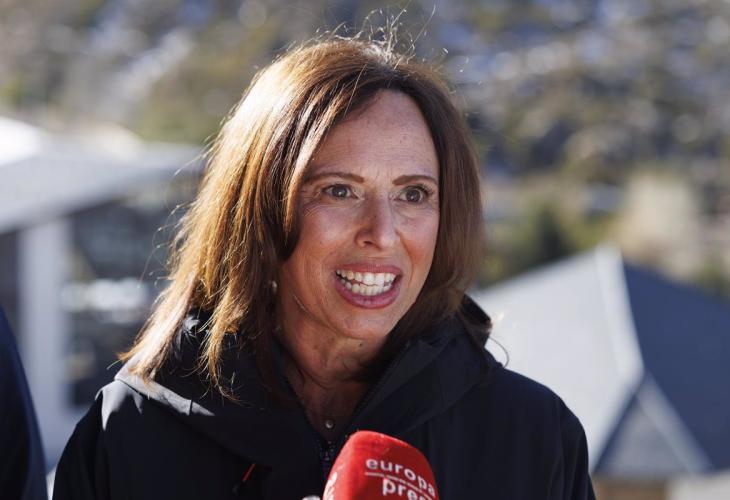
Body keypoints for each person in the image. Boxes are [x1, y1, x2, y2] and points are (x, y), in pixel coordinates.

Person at [52, 35, 596, 499]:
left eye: (412, 194)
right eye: (339, 190)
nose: (382, 232)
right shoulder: (131, 432)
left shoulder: (534, 438)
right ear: (260, 209)